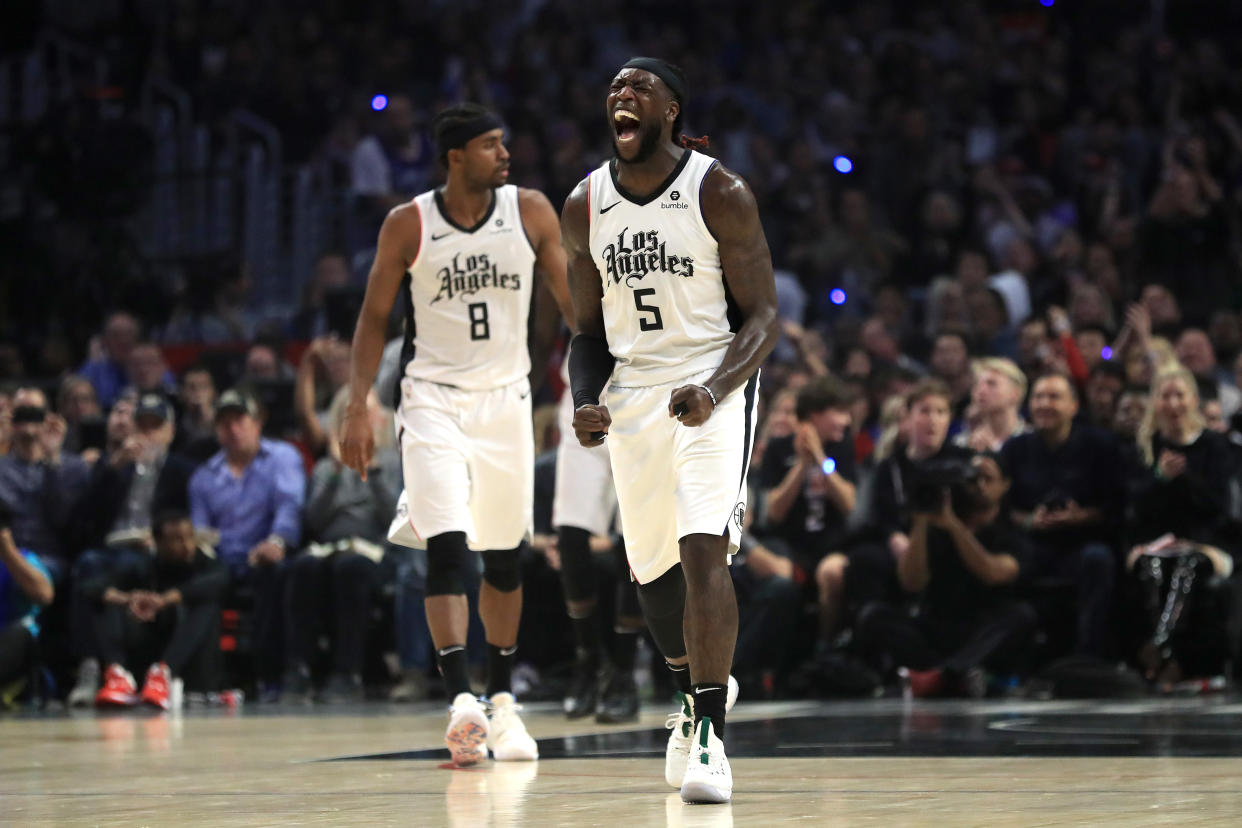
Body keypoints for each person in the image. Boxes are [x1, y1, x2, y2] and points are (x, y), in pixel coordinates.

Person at [563, 58, 779, 804]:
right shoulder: (584, 204)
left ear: (672, 112)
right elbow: (585, 333)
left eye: (639, 88)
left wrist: (716, 389)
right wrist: (586, 399)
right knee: (651, 574)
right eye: (615, 89)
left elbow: (764, 317)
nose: (622, 96)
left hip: (712, 382)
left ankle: (713, 735)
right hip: (634, 393)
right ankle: (689, 693)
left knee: (701, 548)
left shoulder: (719, 191)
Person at [339, 102, 573, 767]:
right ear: (455, 158)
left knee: (503, 557)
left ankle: (502, 701)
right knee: (446, 547)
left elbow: (574, 300)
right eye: (492, 146)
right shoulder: (407, 223)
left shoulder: (529, 211)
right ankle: (460, 701)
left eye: (505, 144)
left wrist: (606, 361)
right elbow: (373, 319)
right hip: (432, 398)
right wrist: (357, 405)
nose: (506, 155)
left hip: (506, 399)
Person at [855, 454, 1036, 696]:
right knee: (873, 615)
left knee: (1021, 615)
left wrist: (955, 527)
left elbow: (993, 573)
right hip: (935, 627)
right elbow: (911, 582)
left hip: (981, 630)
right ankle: (952, 674)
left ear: (1004, 485)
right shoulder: (937, 525)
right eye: (973, 479)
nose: (979, 486)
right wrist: (920, 522)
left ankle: (943, 675)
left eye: (987, 478)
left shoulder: (1010, 532)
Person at [284, 387, 400, 703]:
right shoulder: (326, 468)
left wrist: (373, 472)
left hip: (376, 552)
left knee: (351, 568)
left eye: (369, 412)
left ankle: (348, 672)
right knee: (304, 567)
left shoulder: (394, 463)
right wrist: (336, 473)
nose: (365, 420)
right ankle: (300, 668)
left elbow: (395, 519)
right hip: (330, 548)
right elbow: (315, 521)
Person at [188, 389, 306, 698]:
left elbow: (289, 505)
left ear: (257, 423)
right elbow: (200, 531)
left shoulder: (282, 457)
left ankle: (271, 675)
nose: (232, 428)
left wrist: (277, 541)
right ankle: (207, 679)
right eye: (224, 422)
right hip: (222, 558)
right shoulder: (203, 477)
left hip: (265, 553)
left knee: (277, 575)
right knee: (200, 582)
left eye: (239, 420)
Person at [1001, 374, 1124, 657]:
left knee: (1098, 559)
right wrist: (1030, 520)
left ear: (1073, 405)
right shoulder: (1015, 448)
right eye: (1038, 397)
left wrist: (1082, 516)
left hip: (1081, 543)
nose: (1045, 404)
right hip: (1030, 543)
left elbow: (1115, 505)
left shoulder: (1100, 445)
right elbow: (1002, 508)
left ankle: (1088, 655)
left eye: (1054, 397)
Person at [86, 510, 228, 709]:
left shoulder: (205, 564)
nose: (187, 546)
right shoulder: (143, 566)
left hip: (188, 654)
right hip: (147, 644)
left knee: (207, 602)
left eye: (190, 538)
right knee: (105, 600)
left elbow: (221, 582)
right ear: (158, 542)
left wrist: (165, 600)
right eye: (177, 540)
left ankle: (164, 674)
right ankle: (117, 674)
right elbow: (91, 587)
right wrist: (128, 599)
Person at [0, 503, 55, 701]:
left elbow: (44, 595)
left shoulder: (23, 558)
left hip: (10, 644)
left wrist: (7, 551)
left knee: (21, 635)